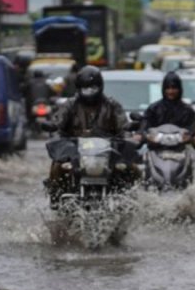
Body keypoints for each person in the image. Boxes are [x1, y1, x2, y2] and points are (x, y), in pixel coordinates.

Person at [46, 65, 134, 208]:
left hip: (107, 151)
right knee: (57, 167)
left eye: (93, 88)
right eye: (85, 88)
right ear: (78, 88)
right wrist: (55, 134)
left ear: (100, 87)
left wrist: (129, 138)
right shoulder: (69, 105)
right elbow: (57, 124)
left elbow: (123, 127)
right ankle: (56, 199)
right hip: (75, 152)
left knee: (132, 168)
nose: (89, 92)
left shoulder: (112, 105)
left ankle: (132, 200)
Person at [140, 71, 195, 150]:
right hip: (156, 151)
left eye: (174, 88)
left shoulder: (187, 110)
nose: (171, 91)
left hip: (181, 152)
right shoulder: (153, 109)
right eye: (168, 88)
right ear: (163, 89)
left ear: (179, 89)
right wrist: (140, 135)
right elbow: (145, 126)